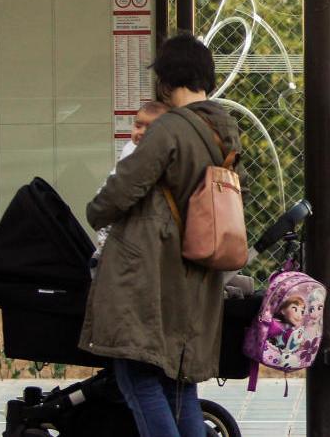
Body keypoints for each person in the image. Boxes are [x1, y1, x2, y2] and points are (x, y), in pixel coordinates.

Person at [79, 33, 247, 437]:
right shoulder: (226, 128)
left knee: (137, 375)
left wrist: (95, 210)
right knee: (178, 381)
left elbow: (123, 190)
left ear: (166, 80)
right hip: (196, 272)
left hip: (150, 273)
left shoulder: (169, 129)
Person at [90, 100, 169, 277]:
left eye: (149, 128)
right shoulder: (131, 152)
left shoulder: (155, 159)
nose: (140, 132)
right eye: (138, 125)